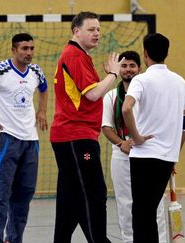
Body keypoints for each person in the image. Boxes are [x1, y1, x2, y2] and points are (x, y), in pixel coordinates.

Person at [49, 11, 122, 243]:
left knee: (70, 199)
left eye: (99, 29)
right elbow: (93, 94)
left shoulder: (79, 56)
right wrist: (113, 74)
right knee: (93, 195)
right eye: (91, 29)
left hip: (75, 136)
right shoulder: (75, 56)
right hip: (75, 136)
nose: (97, 33)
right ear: (76, 31)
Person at [0, 33, 48, 243]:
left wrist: (42, 111)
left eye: (31, 48)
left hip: (31, 141)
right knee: (1, 194)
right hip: (6, 138)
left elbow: (44, 88)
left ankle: (14, 239)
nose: (29, 53)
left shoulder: (36, 71)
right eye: (24, 48)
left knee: (25, 193)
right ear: (14, 50)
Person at [122, 33, 185, 243]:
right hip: (167, 156)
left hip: (144, 155)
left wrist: (137, 137)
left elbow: (126, 109)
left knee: (142, 213)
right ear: (167, 53)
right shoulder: (180, 82)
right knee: (150, 209)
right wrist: (175, 152)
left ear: (145, 54)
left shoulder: (141, 80)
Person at [102, 50, 167, 243]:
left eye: (132, 65)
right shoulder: (111, 96)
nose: (128, 69)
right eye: (124, 65)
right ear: (119, 69)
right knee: (126, 204)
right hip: (122, 157)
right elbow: (106, 127)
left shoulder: (151, 93)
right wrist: (122, 143)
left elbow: (160, 124)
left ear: (140, 68)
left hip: (150, 155)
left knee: (154, 204)